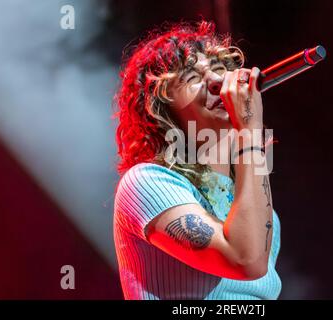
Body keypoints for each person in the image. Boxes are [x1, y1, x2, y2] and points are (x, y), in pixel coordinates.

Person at [113, 20, 281, 300]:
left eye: (219, 70)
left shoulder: (264, 213)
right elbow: (244, 259)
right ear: (160, 110)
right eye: (191, 77)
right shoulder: (147, 183)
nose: (217, 82)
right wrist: (250, 131)